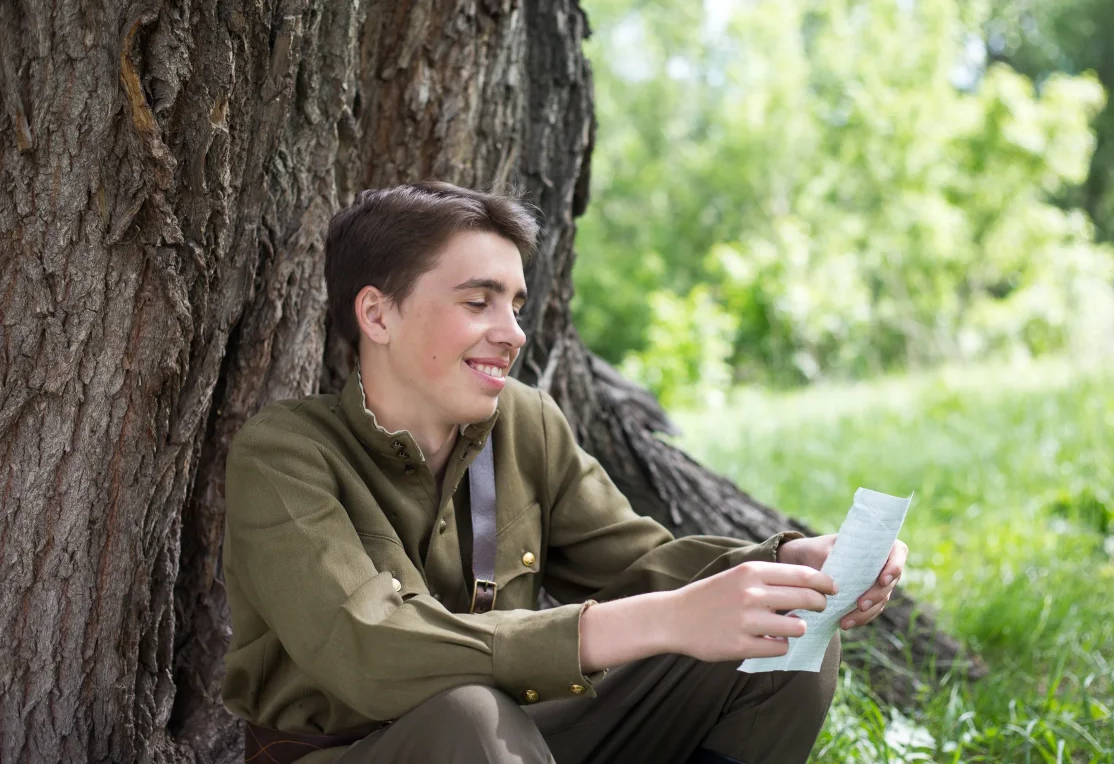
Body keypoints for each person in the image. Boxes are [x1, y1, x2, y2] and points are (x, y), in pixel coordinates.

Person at [221, 182, 908, 764]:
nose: (514, 332)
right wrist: (659, 619)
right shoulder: (284, 455)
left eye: (515, 306)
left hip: (518, 735)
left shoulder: (525, 422)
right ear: (377, 313)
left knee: (783, 645)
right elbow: (370, 649)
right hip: (362, 750)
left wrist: (784, 568)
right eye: (477, 301)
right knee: (466, 715)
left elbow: (646, 568)